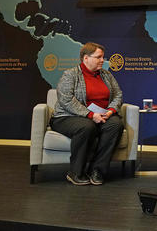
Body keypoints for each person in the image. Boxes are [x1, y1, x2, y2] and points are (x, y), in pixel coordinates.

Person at [50, 42, 124, 186]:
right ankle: (75, 172)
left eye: (103, 57)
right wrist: (90, 115)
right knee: (86, 126)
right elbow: (66, 100)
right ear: (85, 58)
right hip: (67, 117)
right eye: (98, 57)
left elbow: (118, 94)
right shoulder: (70, 74)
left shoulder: (106, 75)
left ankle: (97, 170)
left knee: (115, 124)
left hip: (101, 115)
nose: (102, 60)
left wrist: (110, 111)